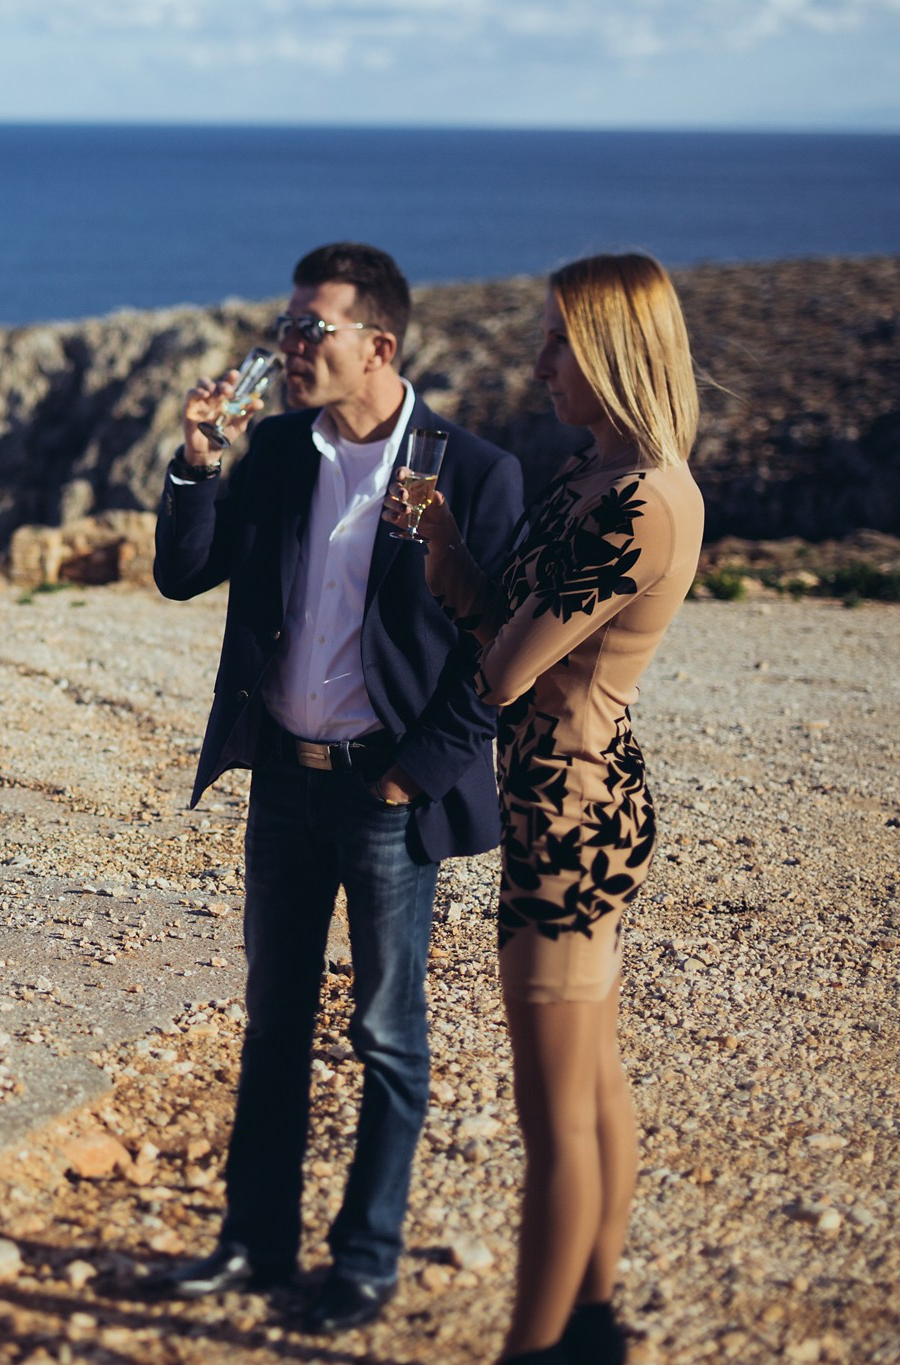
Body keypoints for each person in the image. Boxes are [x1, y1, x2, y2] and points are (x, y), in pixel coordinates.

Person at [140, 243, 525, 1332]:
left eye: (311, 330)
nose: (287, 345)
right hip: (283, 786)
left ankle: (362, 1260)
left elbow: (493, 651)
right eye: (287, 325)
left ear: (377, 346)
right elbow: (181, 572)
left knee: (385, 1034)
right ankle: (253, 1245)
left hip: (382, 794)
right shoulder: (270, 451)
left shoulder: (470, 471)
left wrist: (418, 774)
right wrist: (195, 465)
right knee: (271, 1024)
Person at [386, 253, 703, 1365]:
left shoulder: (640, 503)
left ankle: (535, 1349)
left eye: (559, 344)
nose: (540, 366)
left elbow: (506, 671)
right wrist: (441, 545)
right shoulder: (587, 476)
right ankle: (591, 1324)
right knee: (591, 1074)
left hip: (569, 816)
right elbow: (493, 616)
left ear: (615, 353)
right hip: (562, 800)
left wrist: (417, 753)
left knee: (552, 1113)